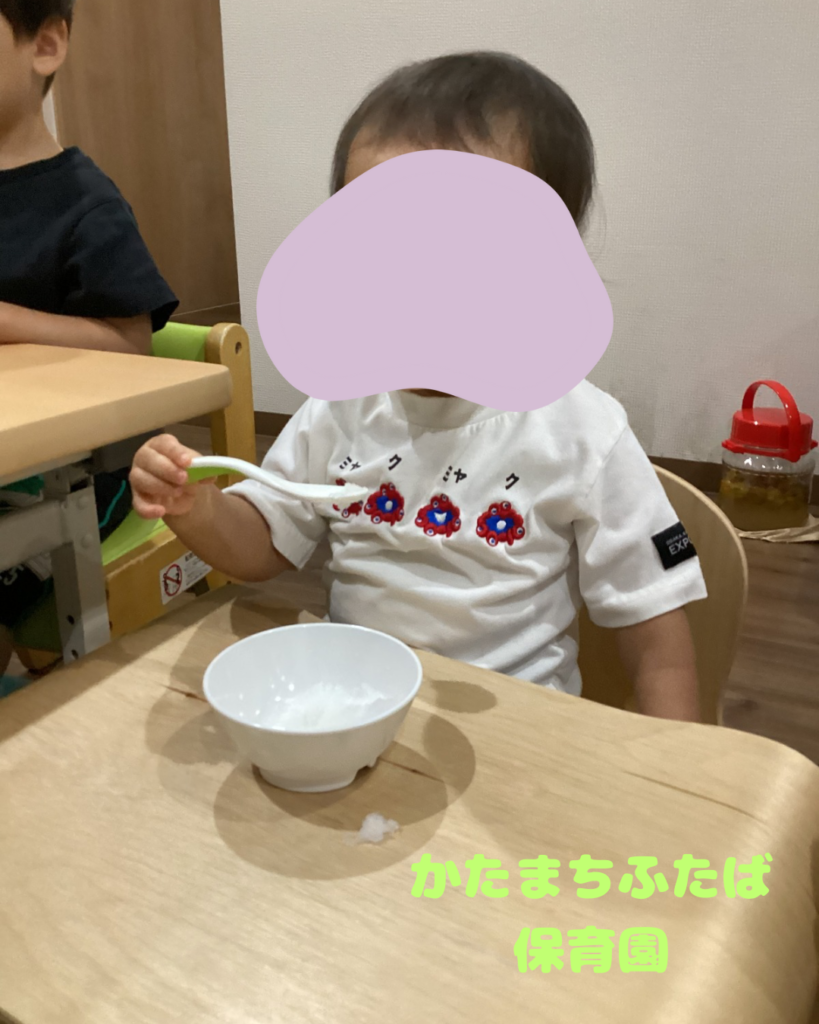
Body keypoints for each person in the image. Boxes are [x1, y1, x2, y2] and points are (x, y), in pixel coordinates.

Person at [129, 52, 706, 721]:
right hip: (355, 708)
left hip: (517, 729)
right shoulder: (339, 407)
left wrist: (673, 763)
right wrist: (197, 508)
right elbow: (263, 543)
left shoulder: (583, 431)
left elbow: (656, 641)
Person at [0, 0, 178, 674]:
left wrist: (8, 323)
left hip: (83, 476)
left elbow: (134, 347)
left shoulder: (85, 202)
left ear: (45, 45)